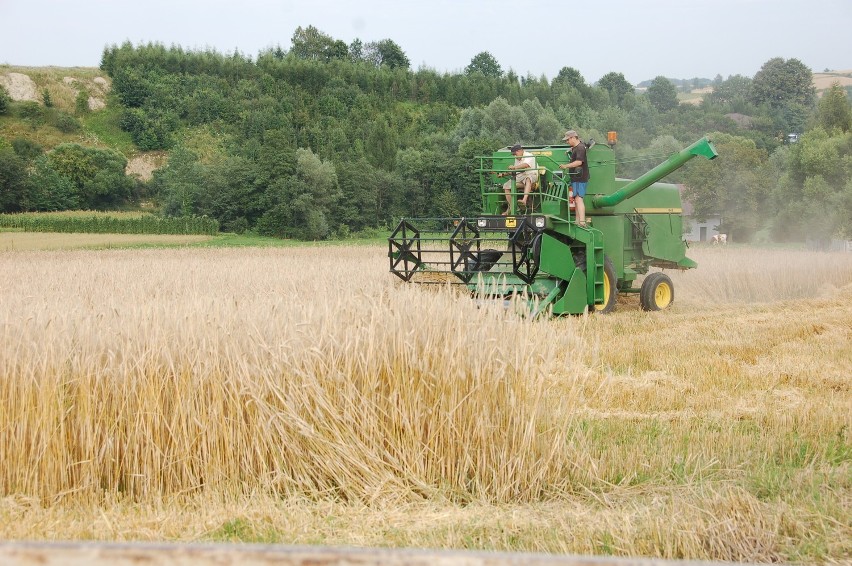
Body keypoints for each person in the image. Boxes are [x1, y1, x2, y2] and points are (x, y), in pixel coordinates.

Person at [559, 130, 589, 226]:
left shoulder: (580, 148)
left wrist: (566, 166)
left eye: (568, 140)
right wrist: (569, 150)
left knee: (579, 198)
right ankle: (577, 221)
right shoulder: (576, 147)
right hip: (576, 177)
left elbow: (579, 162)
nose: (567, 142)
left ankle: (582, 221)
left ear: (573, 138)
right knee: (576, 199)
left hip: (580, 177)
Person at [500, 144, 538, 214]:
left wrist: (514, 167)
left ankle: (524, 200)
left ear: (520, 151)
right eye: (513, 155)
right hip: (520, 177)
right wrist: (503, 174)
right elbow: (515, 170)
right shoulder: (517, 158)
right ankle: (513, 207)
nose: (515, 156)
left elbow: (526, 165)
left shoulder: (529, 156)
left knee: (528, 178)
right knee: (506, 186)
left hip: (531, 175)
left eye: (515, 154)